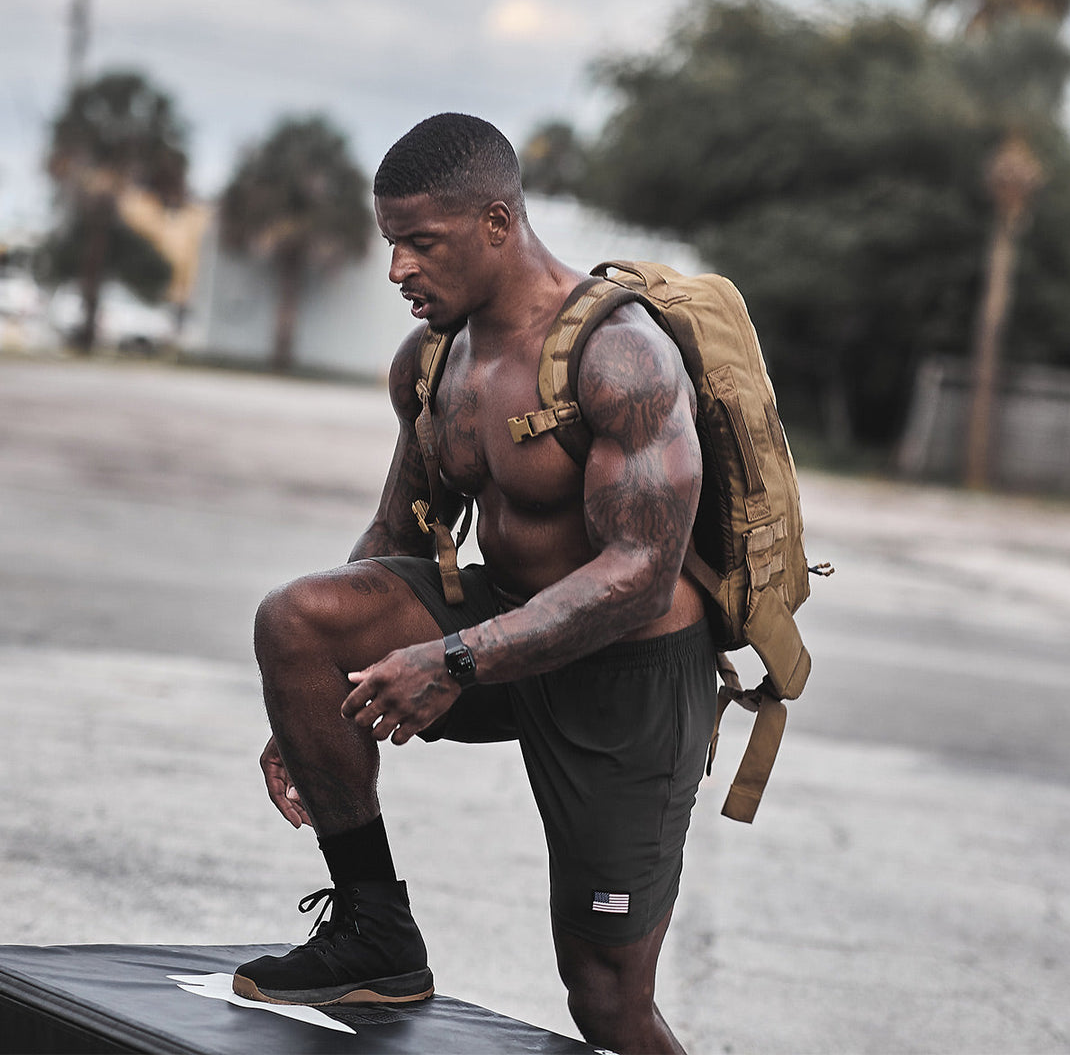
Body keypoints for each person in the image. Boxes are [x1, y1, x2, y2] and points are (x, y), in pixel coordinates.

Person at [232, 113, 716, 1055]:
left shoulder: (621, 355)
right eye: (391, 244)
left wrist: (453, 658)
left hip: (630, 674)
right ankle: (376, 934)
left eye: (423, 242)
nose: (398, 269)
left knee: (605, 996)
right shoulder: (432, 360)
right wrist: (309, 701)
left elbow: (641, 576)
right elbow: (394, 532)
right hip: (498, 633)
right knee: (298, 618)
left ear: (498, 224)